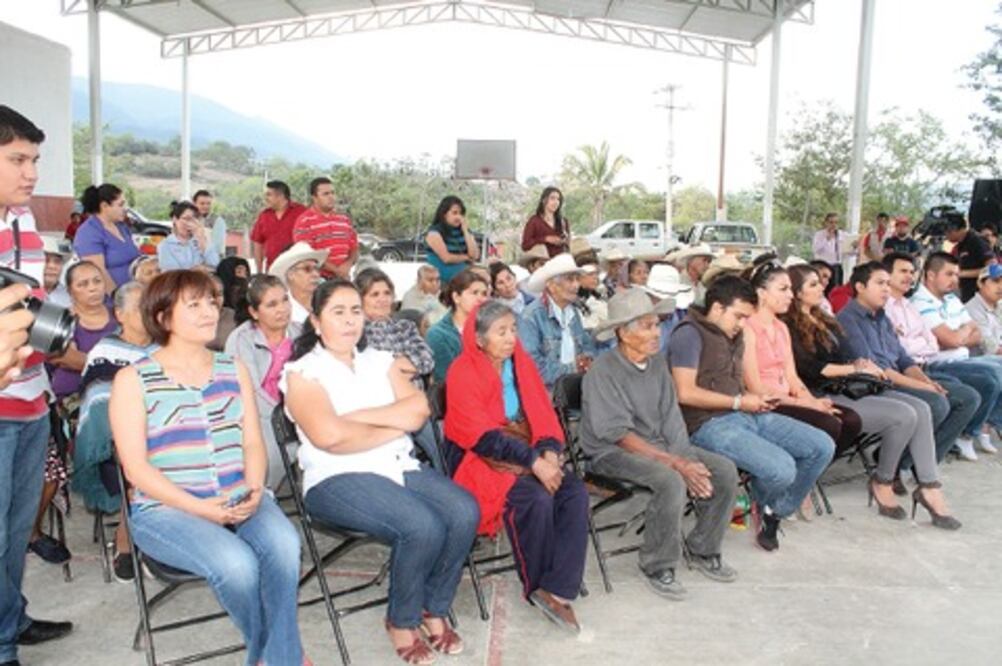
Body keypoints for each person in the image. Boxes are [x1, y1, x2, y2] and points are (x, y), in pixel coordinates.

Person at [110, 270, 306, 665]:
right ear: (163, 317)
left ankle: (276, 658)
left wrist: (254, 491)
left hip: (240, 495)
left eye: (212, 302)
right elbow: (136, 470)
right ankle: (278, 654)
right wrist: (203, 510)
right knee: (237, 566)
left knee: (286, 546)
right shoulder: (133, 380)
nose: (210, 311)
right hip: (167, 510)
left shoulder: (232, 369)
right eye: (194, 304)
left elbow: (252, 440)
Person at [282, 279, 478, 664]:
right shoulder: (303, 373)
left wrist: (356, 420)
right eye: (338, 312)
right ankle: (401, 620)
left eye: (356, 310)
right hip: (336, 477)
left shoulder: (381, 360)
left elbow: (419, 410)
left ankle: (433, 607)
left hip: (396, 464)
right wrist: (393, 425)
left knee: (463, 511)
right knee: (421, 525)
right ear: (316, 321)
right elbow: (328, 437)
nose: (350, 320)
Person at [582, 289, 738, 599]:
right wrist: (676, 464)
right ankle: (657, 563)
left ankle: (703, 547)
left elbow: (671, 419)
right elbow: (618, 435)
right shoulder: (602, 372)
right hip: (612, 452)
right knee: (669, 480)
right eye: (647, 326)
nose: (657, 333)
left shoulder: (656, 365)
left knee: (724, 470)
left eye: (657, 324)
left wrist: (684, 456)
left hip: (658, 446)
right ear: (623, 334)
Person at [445, 300, 588, 631]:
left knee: (574, 492)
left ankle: (559, 588)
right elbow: (481, 438)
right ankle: (537, 585)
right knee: (535, 499)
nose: (511, 338)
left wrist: (550, 452)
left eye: (513, 330)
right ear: (479, 339)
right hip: (482, 459)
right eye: (501, 332)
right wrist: (534, 462)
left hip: (526, 450)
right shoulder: (463, 371)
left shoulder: (520, 365)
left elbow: (543, 416)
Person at [784, 264, 961, 527]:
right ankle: (883, 480)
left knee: (922, 410)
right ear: (796, 293)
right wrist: (855, 367)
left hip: (848, 385)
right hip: (820, 393)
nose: (822, 287)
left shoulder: (822, 318)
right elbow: (812, 369)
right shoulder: (788, 325)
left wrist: (858, 365)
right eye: (812, 284)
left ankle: (928, 487)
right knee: (904, 415)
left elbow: (857, 356)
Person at [668, 276, 835, 551]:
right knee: (782, 470)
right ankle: (768, 504)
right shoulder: (689, 334)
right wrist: (738, 402)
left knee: (821, 446)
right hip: (706, 424)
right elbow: (684, 393)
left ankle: (772, 509)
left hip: (745, 413)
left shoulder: (734, 334)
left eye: (747, 317)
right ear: (718, 308)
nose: (743, 324)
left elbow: (739, 383)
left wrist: (755, 399)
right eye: (739, 316)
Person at [0, 105, 73, 663]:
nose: (31, 173)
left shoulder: (22, 221)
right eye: (17, 159)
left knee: (16, 532)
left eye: (35, 160)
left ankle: (9, 622)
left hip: (30, 399)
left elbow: (27, 306)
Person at [837, 262, 980, 468]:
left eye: (888, 283)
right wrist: (924, 387)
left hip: (900, 376)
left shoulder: (882, 317)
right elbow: (876, 370)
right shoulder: (848, 319)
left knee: (967, 398)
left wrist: (926, 381)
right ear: (860, 287)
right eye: (880, 283)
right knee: (937, 403)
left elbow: (903, 359)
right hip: (874, 384)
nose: (887, 289)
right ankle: (897, 467)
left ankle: (914, 463)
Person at [30, 260, 117, 564]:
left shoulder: (120, 313)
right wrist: (114, 360)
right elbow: (66, 358)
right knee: (108, 421)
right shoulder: (63, 320)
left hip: (122, 392)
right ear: (71, 291)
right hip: (76, 397)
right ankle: (109, 480)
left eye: (96, 281)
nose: (93, 288)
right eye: (83, 284)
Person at [742, 260, 863, 461]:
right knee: (829, 423)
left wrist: (811, 401)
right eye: (783, 289)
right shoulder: (747, 328)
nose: (790, 295)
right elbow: (755, 388)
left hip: (789, 397)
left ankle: (810, 471)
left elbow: (792, 375)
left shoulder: (780, 327)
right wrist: (805, 404)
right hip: (768, 403)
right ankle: (803, 474)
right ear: (762, 293)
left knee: (850, 420)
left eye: (790, 288)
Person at [73, 281, 153, 582]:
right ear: (119, 314)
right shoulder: (105, 352)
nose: (149, 313)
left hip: (168, 430)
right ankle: (125, 545)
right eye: (140, 308)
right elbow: (98, 404)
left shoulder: (167, 345)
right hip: (115, 439)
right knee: (139, 462)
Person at [898, 252, 1002, 458]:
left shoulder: (952, 300)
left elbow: (976, 333)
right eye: (949, 274)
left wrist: (957, 335)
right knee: (991, 378)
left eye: (956, 274)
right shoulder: (920, 302)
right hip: (939, 364)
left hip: (963, 358)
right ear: (930, 275)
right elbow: (951, 340)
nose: (955, 279)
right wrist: (960, 334)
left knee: (997, 370)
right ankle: (969, 433)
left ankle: (986, 425)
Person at [224, 275, 301, 487]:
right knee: (270, 456)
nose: (282, 309)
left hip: (300, 410)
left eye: (285, 300)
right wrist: (285, 416)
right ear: (254, 312)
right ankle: (262, 497)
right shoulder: (241, 339)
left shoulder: (300, 333)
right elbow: (250, 390)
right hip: (259, 414)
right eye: (272, 304)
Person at [518, 254, 597, 389]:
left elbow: (587, 346)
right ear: (552, 286)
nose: (576, 285)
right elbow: (533, 368)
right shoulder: (531, 317)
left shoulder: (574, 313)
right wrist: (574, 367)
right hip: (546, 393)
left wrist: (586, 360)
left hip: (574, 387)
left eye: (577, 279)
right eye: (570, 280)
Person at [356, 268, 434, 380]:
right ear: (360, 299)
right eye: (375, 295)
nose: (382, 299)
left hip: (415, 394)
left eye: (387, 293)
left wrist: (391, 364)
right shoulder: (357, 332)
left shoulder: (405, 327)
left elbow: (427, 361)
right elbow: (369, 371)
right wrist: (404, 361)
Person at [75, 183, 141, 293]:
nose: (125, 209)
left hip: (133, 293)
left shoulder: (122, 227)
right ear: (104, 206)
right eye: (120, 205)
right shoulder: (89, 233)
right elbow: (98, 273)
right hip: (110, 298)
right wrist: (117, 298)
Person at [427, 270, 489, 384]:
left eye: (484, 294)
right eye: (474, 293)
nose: (481, 299)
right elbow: (446, 377)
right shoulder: (438, 334)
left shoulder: (490, 328)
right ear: (456, 297)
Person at [293, 176, 358, 279]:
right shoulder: (304, 221)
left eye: (333, 193)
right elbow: (307, 254)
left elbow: (354, 248)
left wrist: (347, 265)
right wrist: (336, 271)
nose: (331, 197)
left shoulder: (344, 219)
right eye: (326, 194)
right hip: (318, 281)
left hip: (344, 279)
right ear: (314, 197)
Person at [250, 180, 307, 272]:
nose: (266, 198)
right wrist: (259, 271)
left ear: (280, 196)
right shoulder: (264, 216)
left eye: (269, 194)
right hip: (272, 270)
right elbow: (257, 243)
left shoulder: (301, 212)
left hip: (298, 269)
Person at [268, 241, 327, 325]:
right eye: (307, 269)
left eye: (317, 268)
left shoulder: (327, 303)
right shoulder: (280, 309)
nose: (315, 274)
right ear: (290, 275)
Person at [424, 195, 478, 284]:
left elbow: (474, 255)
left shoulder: (463, 231)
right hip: (441, 280)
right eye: (454, 213)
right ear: (444, 214)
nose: (459, 217)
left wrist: (465, 231)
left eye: (461, 214)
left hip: (465, 276)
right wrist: (466, 257)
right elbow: (447, 258)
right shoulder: (434, 233)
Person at [157, 200, 220, 272]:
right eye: (186, 219)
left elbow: (215, 265)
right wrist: (198, 270)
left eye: (193, 220)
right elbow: (171, 274)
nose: (189, 223)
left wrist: (201, 238)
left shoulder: (201, 241)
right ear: (175, 219)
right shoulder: (165, 245)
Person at [944, 212, 993, 302]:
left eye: (947, 232)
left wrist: (962, 273)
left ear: (954, 229)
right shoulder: (961, 245)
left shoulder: (976, 241)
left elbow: (992, 268)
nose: (946, 236)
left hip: (980, 296)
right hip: (966, 294)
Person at [521, 187, 569, 257]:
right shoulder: (534, 221)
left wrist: (564, 241)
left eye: (558, 199)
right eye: (552, 198)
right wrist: (545, 239)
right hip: (542, 263)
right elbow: (525, 245)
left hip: (562, 262)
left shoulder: (563, 221)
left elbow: (568, 245)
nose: (556, 202)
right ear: (544, 200)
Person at [966, 263, 1002, 355]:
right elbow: (990, 348)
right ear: (980, 284)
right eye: (995, 281)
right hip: (981, 362)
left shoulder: (999, 305)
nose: (1000, 287)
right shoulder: (972, 309)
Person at [812, 212, 846, 287]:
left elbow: (847, 252)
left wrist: (854, 247)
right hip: (823, 266)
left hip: (837, 266)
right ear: (826, 223)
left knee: (836, 288)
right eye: (831, 222)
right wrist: (827, 239)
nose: (833, 225)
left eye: (836, 222)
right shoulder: (819, 235)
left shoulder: (842, 235)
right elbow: (816, 249)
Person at [575, 257, 607, 332]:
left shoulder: (598, 295)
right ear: (579, 277)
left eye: (596, 274)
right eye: (590, 274)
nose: (595, 277)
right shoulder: (576, 301)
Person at [192, 189, 227, 258]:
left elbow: (217, 246)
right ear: (194, 204)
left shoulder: (217, 221)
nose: (206, 206)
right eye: (202, 203)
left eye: (208, 203)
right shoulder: (190, 220)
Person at [41, 235, 70, 307]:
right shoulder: (22, 294)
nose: (52, 266)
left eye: (57, 261)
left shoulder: (71, 296)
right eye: (46, 260)